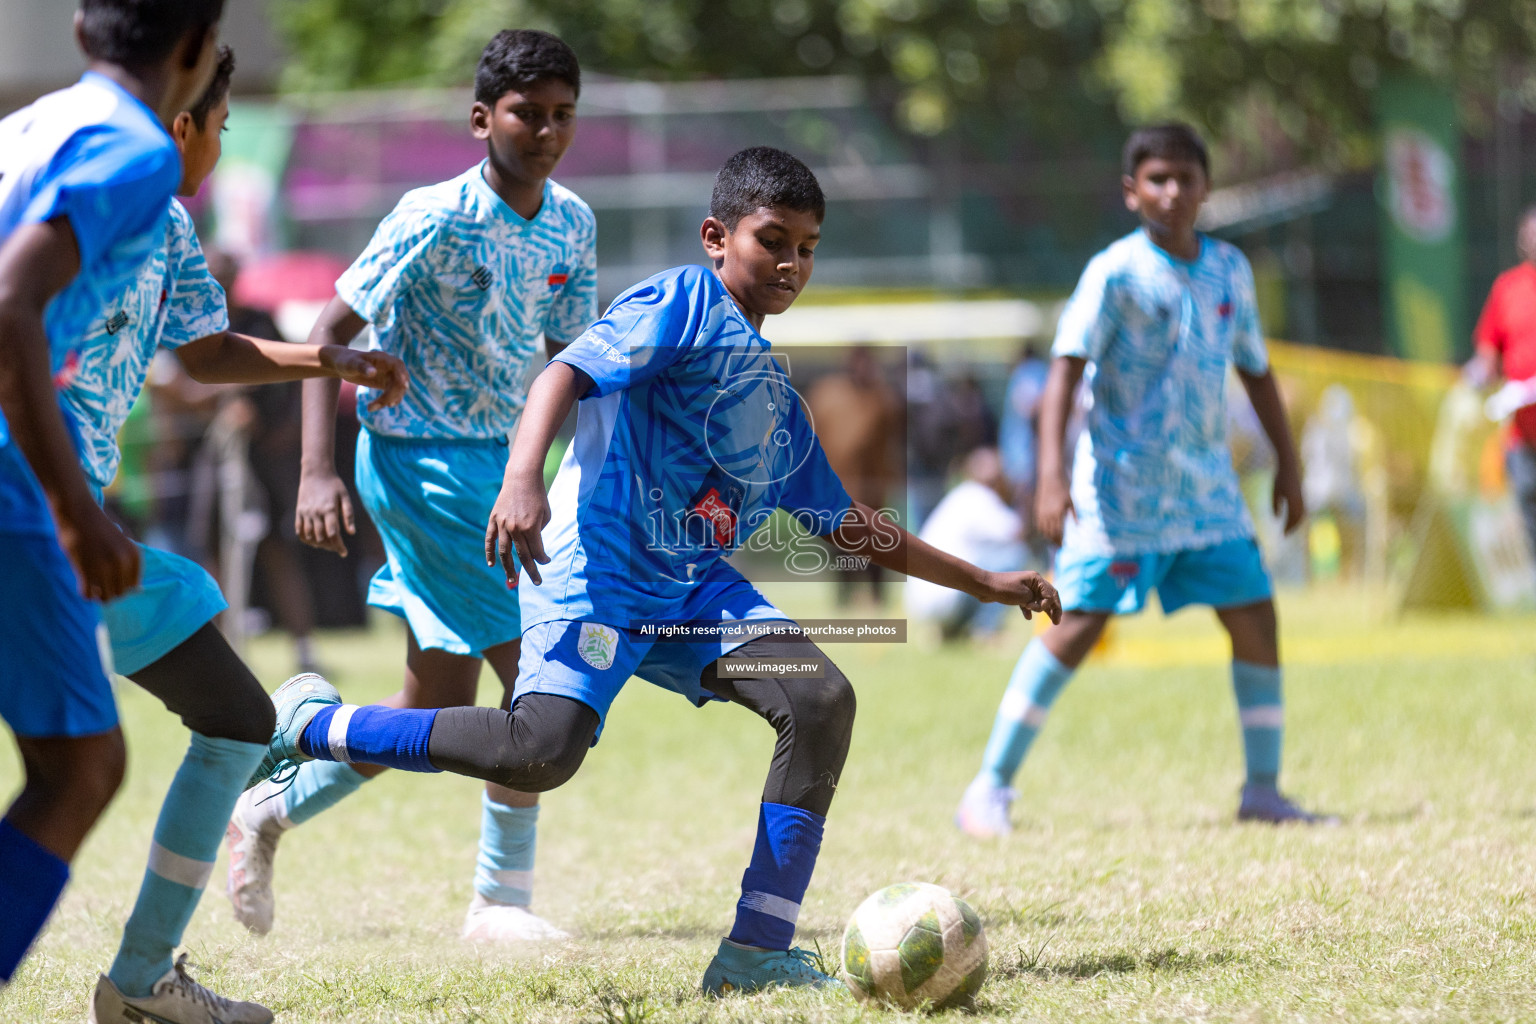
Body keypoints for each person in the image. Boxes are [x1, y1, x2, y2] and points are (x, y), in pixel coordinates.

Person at [240, 146, 1060, 998]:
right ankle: (314, 726)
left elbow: (851, 526)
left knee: (819, 697)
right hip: (594, 574)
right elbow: (563, 371)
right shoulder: (683, 300)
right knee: (540, 753)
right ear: (716, 236)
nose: (790, 264)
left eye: (807, 248)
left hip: (692, 592)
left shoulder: (776, 401)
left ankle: (754, 954)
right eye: (771, 240)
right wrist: (524, 479)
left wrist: (989, 584)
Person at [42, 46, 409, 1024]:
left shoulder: (160, 221)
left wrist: (322, 357)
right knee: (101, 764)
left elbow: (204, 349)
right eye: (225, 127)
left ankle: (143, 984)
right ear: (183, 128)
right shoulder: (88, 193)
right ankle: (139, 979)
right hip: (35, 524)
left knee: (226, 716)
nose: (222, 146)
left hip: (64, 527)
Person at [225, 29, 597, 945]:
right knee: (541, 684)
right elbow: (330, 327)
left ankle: (280, 787)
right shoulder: (433, 214)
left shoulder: (574, 223)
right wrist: (316, 469)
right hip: (421, 462)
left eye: (562, 116)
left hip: (508, 467)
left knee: (432, 703)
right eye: (525, 113)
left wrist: (592, 463)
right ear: (481, 120)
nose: (546, 131)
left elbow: (570, 356)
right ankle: (499, 903)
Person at [955, 123, 1330, 839]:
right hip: (1120, 497)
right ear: (1132, 192)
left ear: (1206, 187)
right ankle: (989, 787)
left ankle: (1263, 790)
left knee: (1255, 615)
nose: (1173, 191)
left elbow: (1254, 368)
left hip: (1207, 493)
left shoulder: (1229, 270)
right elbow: (1065, 368)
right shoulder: (1114, 272)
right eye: (1157, 179)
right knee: (1075, 623)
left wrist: (1289, 461)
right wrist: (1052, 480)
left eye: (1186, 178)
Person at [0, 0, 219, 995]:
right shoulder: (138, 154)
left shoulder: (29, 125)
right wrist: (77, 511)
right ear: (194, 54)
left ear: (86, 34)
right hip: (14, 485)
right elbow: (11, 304)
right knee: (82, 766)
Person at [806, 345, 900, 606]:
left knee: (877, 544)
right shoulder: (826, 394)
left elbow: (892, 438)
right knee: (838, 545)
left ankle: (877, 597)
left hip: (872, 488)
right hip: (835, 485)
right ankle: (844, 598)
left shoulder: (882, 397)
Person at [1468, 204, 1536, 563]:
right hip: (1522, 438)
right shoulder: (1507, 288)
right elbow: (1487, 348)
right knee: (1531, 527)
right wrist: (1481, 373)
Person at [906, 448, 1026, 642]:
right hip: (946, 599)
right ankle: (986, 631)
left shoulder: (958, 496)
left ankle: (948, 632)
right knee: (1014, 556)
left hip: (921, 602)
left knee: (982, 559)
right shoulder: (980, 497)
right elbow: (1015, 533)